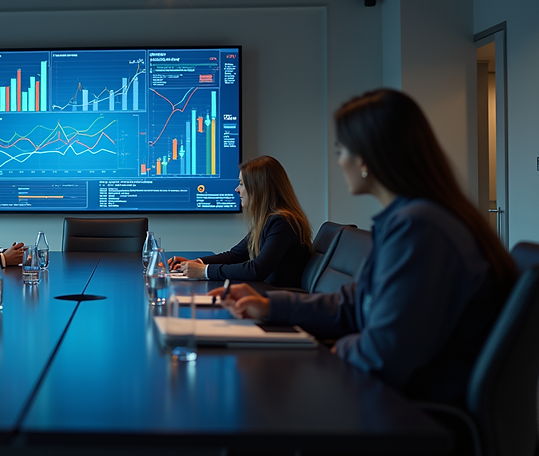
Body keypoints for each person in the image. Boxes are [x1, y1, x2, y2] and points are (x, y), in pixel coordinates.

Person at [214, 89, 516, 403]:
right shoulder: (413, 219)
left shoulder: (419, 228)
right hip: (400, 395)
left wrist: (332, 351)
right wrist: (269, 306)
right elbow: (356, 303)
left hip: (413, 411)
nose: (340, 161)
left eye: (341, 150)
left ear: (366, 158)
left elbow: (383, 353)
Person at [168, 155, 312, 288]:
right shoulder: (270, 220)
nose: (237, 189)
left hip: (278, 301)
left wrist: (205, 271)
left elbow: (257, 270)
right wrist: (197, 263)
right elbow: (235, 256)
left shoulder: (282, 223)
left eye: (242, 184)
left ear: (258, 188)